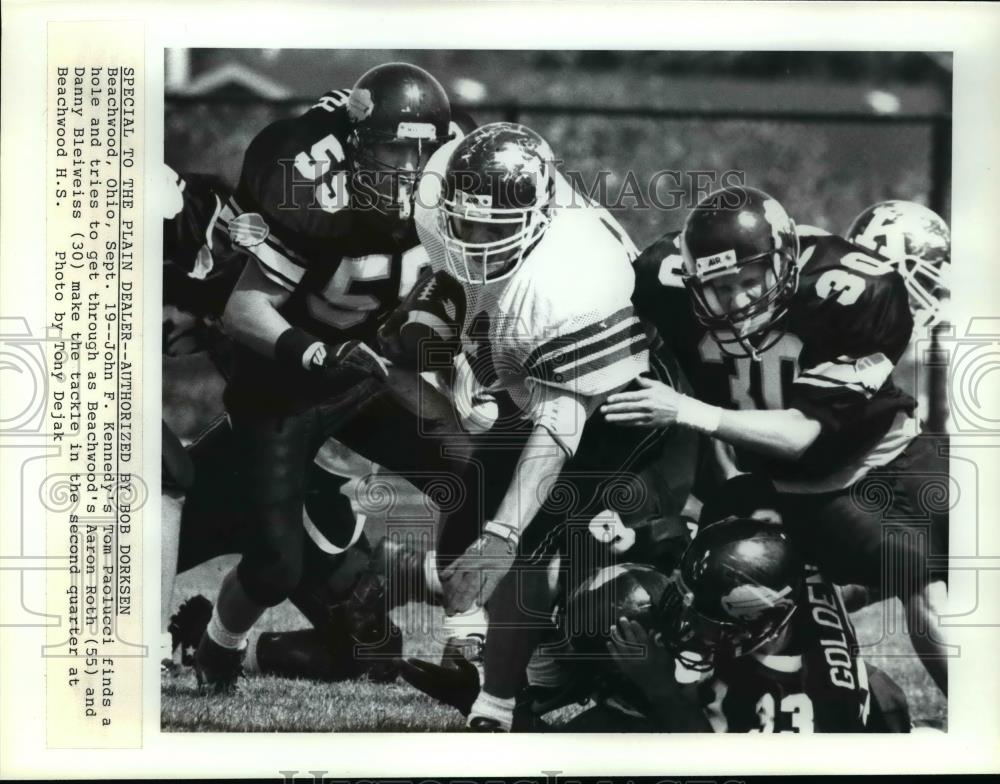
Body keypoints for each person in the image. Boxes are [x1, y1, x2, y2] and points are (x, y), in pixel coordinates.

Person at [391, 121, 698, 731]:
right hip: (536, 375)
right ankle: (532, 669)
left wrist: (505, 532)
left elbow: (563, 419)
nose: (475, 241)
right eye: (465, 224)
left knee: (531, 545)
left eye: (494, 229)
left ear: (539, 214)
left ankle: (504, 703)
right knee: (465, 533)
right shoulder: (448, 187)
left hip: (616, 403)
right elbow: (455, 287)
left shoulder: (576, 276)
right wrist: (451, 363)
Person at [604, 185, 949, 694]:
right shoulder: (663, 278)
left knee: (928, 587)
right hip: (781, 486)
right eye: (720, 287)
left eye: (750, 281)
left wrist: (685, 409)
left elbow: (800, 435)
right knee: (722, 590)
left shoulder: (853, 289)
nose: (739, 300)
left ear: (783, 264)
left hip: (882, 462)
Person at [192, 62, 461, 693]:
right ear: (358, 146)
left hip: (368, 374)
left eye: (422, 150)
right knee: (275, 567)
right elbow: (243, 310)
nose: (409, 167)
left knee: (468, 462)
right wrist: (314, 354)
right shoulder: (315, 192)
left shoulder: (449, 190)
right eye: (395, 149)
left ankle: (466, 631)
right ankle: (217, 644)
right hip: (285, 383)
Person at [575, 516, 912, 732]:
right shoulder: (801, 581)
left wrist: (659, 686)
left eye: (708, 620)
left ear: (757, 629)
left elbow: (707, 759)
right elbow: (863, 588)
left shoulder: (763, 696)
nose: (688, 622)